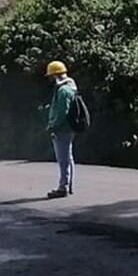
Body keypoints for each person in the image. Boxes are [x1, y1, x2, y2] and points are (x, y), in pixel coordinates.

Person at [45, 61, 77, 199]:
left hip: (62, 129)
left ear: (56, 75)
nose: (50, 79)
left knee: (63, 159)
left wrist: (53, 126)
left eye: (51, 76)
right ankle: (67, 185)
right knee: (68, 157)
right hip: (68, 128)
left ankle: (63, 187)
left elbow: (62, 111)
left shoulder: (63, 90)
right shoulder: (70, 87)